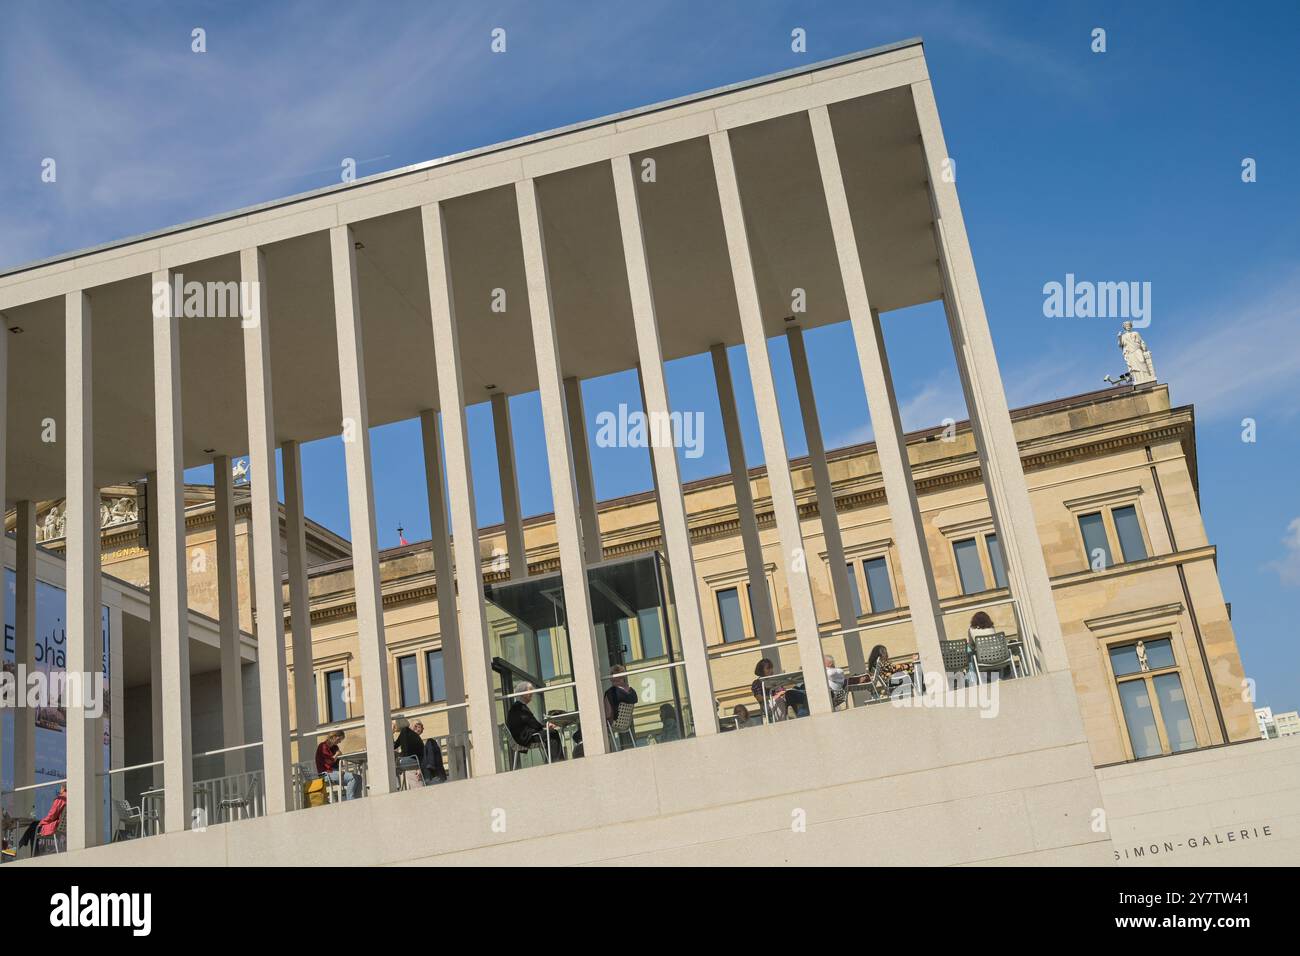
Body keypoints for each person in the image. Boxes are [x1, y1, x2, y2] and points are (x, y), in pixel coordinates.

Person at [506, 682, 565, 763]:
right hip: (524, 738)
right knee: (552, 733)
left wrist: (544, 727)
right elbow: (532, 723)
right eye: (530, 692)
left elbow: (531, 723)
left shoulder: (517, 707)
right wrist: (545, 726)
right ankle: (557, 761)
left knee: (549, 732)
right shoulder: (520, 708)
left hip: (523, 736)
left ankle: (552, 761)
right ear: (523, 694)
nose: (532, 694)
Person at [315, 730, 361, 800]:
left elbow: (339, 761)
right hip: (325, 773)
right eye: (339, 739)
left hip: (334, 772)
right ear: (333, 737)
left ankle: (357, 800)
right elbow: (329, 761)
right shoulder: (323, 746)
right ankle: (351, 801)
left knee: (358, 778)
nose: (339, 742)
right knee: (352, 778)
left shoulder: (335, 747)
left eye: (341, 740)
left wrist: (339, 758)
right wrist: (336, 755)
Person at [604, 664, 639, 748]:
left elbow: (608, 714)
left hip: (614, 722)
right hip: (627, 724)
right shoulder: (632, 692)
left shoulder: (611, 692)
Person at [393, 717, 426, 788]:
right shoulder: (408, 733)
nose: (422, 730)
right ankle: (396, 783)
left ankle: (395, 784)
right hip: (411, 762)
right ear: (415, 726)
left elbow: (394, 746)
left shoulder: (405, 732)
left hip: (406, 762)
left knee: (392, 761)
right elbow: (421, 755)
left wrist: (392, 732)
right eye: (421, 727)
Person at [34, 784, 66, 855]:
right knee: (33, 827)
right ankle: (22, 843)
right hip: (64, 826)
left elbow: (51, 816)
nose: (59, 790)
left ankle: (35, 854)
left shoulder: (61, 799)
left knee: (34, 827)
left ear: (63, 789)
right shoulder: (71, 798)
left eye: (60, 788)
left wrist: (42, 822)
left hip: (55, 826)